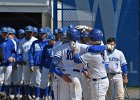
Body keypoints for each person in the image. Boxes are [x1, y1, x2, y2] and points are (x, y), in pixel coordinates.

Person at [73, 29, 109, 100]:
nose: (88, 39)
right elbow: (97, 36)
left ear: (92, 39)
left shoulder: (91, 54)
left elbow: (77, 60)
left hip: (99, 82)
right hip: (100, 80)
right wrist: (87, 28)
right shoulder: (101, 46)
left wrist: (75, 51)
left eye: (89, 38)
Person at [17, 25, 37, 99]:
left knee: (34, 79)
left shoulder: (35, 40)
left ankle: (33, 94)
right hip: (26, 62)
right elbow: (19, 53)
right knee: (26, 79)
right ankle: (26, 94)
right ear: (25, 33)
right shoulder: (22, 41)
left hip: (34, 63)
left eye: (30, 32)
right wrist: (21, 60)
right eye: (28, 32)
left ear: (32, 33)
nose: (29, 34)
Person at [29, 28, 48, 99]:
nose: (42, 35)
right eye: (41, 33)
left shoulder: (48, 43)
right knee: (37, 81)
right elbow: (31, 53)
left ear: (46, 34)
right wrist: (31, 64)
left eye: (43, 33)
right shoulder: (35, 42)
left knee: (46, 81)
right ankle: (38, 96)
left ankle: (46, 96)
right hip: (37, 65)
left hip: (46, 65)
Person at [0, 27, 16, 99]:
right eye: (4, 33)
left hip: (8, 64)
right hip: (0, 64)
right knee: (0, 80)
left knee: (8, 81)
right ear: (1, 33)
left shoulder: (11, 41)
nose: (5, 34)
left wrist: (12, 57)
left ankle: (7, 95)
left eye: (6, 33)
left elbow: (14, 52)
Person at [39, 34, 55, 100]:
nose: (48, 42)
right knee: (43, 83)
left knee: (53, 84)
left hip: (54, 69)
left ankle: (52, 97)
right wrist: (41, 65)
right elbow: (42, 57)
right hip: (46, 67)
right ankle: (41, 97)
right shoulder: (46, 47)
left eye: (49, 41)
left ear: (53, 40)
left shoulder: (57, 46)